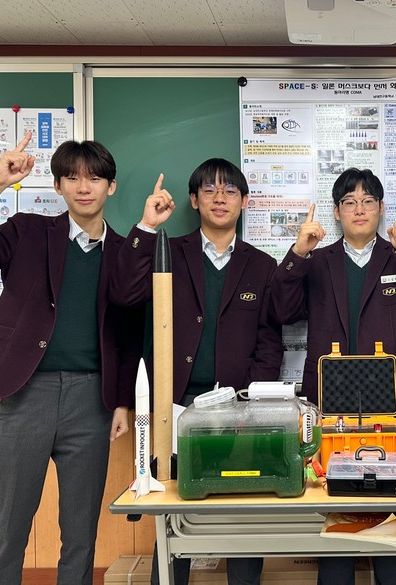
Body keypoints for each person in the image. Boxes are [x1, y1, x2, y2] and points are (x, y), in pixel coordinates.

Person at [0, 133, 144, 585]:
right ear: (57, 186)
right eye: (72, 178)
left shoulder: (124, 253)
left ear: (111, 186)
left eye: (94, 178)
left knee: (80, 532)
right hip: (27, 393)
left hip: (92, 401)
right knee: (10, 526)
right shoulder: (28, 232)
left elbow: (130, 335)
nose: (84, 187)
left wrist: (122, 402)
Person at [109, 158, 283, 585]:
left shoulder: (262, 265)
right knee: (172, 514)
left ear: (244, 201)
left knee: (245, 511)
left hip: (240, 409)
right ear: (193, 199)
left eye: (229, 191)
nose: (219, 198)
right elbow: (124, 295)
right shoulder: (166, 250)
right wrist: (146, 227)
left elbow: (269, 340)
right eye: (209, 190)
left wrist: (251, 402)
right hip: (174, 406)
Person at [270, 167, 396, 585]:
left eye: (368, 201)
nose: (359, 209)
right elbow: (282, 311)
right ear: (336, 211)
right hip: (331, 403)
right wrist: (298, 253)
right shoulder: (317, 261)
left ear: (381, 209)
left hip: (393, 405)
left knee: (393, 505)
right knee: (335, 506)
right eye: (349, 202)